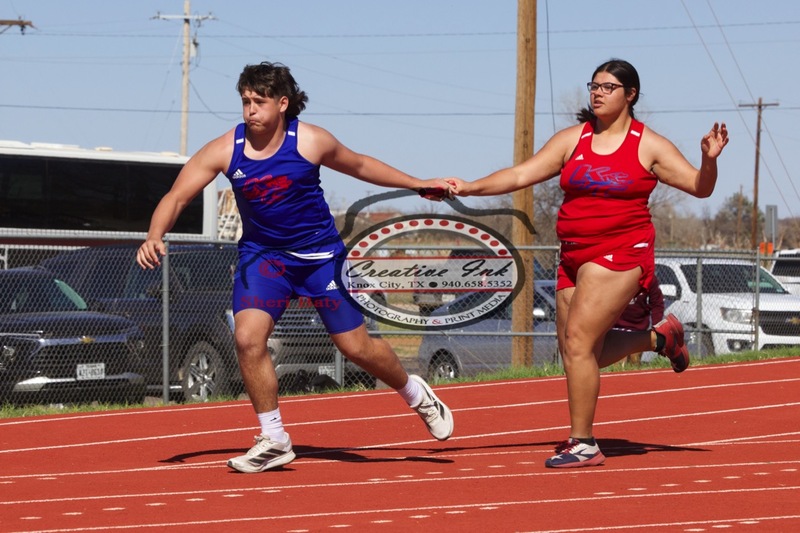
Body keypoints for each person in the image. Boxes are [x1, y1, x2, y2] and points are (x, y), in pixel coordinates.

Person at [136, 61, 455, 473]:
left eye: (259, 101)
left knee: (355, 348)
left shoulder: (310, 141)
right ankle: (273, 438)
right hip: (264, 259)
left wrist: (417, 184)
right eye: (245, 101)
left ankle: (416, 394)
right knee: (248, 339)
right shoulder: (225, 149)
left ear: (282, 103)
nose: (250, 109)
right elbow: (178, 195)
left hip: (320, 259)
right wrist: (154, 234)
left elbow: (360, 165)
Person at [445, 58, 729, 468]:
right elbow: (521, 175)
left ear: (630, 94)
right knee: (574, 350)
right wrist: (471, 187)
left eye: (608, 87)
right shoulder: (572, 139)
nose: (597, 93)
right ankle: (660, 339)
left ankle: (584, 443)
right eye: (594, 86)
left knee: (579, 342)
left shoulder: (648, 144)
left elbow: (700, 188)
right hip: (573, 253)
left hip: (622, 251)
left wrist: (710, 159)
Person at [615, 278, 665, 366]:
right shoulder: (615, 276)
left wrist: (657, 327)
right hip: (616, 327)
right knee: (619, 362)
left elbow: (657, 303)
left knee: (634, 361)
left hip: (638, 328)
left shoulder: (647, 277)